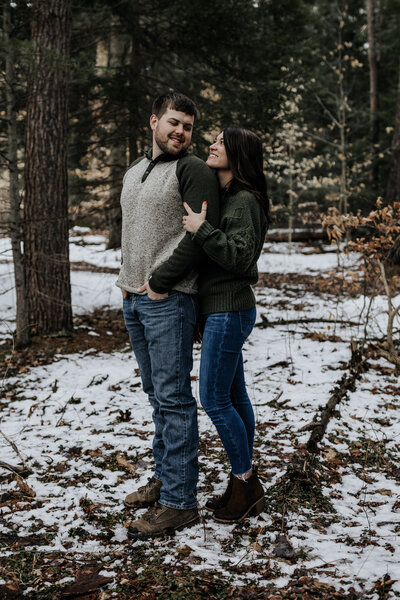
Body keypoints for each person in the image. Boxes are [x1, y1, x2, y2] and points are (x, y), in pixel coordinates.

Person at [116, 91, 219, 539]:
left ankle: (180, 503)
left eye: (188, 127)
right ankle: (165, 481)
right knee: (157, 395)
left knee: (175, 400)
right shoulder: (135, 171)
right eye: (173, 122)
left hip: (170, 300)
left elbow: (199, 235)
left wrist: (159, 281)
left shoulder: (192, 169)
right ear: (154, 120)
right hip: (133, 300)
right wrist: (130, 283)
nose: (180, 132)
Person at [182, 127, 269, 523]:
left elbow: (239, 258)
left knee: (213, 399)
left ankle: (246, 482)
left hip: (231, 310)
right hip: (221, 309)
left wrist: (202, 230)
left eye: (220, 141)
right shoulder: (228, 197)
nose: (211, 146)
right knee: (234, 397)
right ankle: (242, 485)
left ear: (238, 153)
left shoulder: (245, 201)